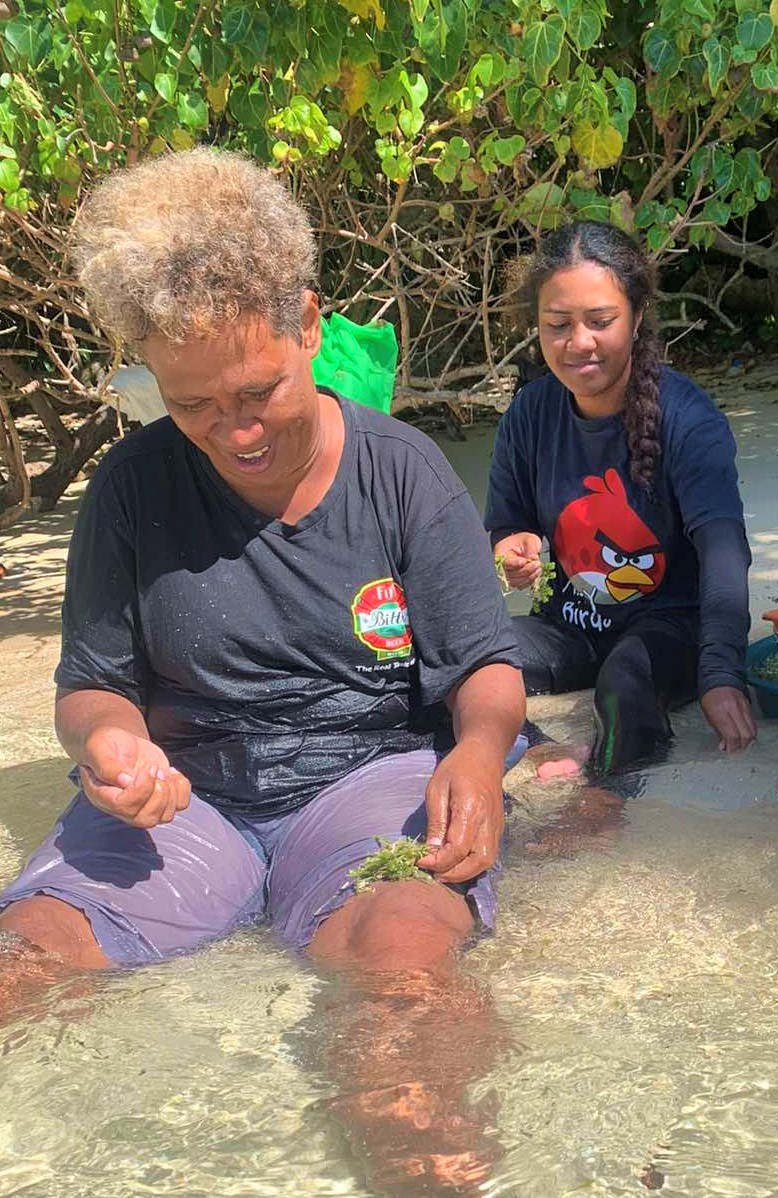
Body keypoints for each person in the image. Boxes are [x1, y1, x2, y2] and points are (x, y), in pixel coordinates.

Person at [0, 148, 525, 1187]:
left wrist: (479, 750)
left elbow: (486, 666)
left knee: (404, 971)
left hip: (365, 784)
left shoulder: (402, 471)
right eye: (193, 404)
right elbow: (94, 681)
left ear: (310, 325)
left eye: (259, 390)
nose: (234, 431)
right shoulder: (129, 488)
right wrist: (111, 741)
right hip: (183, 804)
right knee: (24, 960)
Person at [485, 220, 756, 778]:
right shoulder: (529, 416)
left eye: (600, 321)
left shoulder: (688, 418)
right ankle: (536, 746)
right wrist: (511, 550)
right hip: (567, 626)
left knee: (624, 680)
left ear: (635, 317)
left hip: (668, 630)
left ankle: (604, 796)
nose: (578, 342)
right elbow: (507, 524)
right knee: (470, 652)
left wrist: (722, 673)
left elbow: (725, 554)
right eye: (557, 324)